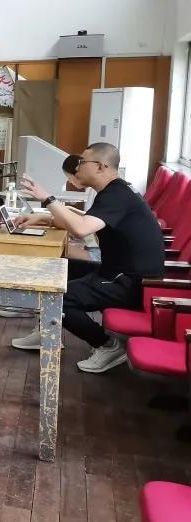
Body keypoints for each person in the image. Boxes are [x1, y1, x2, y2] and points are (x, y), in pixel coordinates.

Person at [11, 143, 165, 374]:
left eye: (82, 162)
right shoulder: (116, 190)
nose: (77, 167)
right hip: (115, 273)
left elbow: (81, 229)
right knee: (54, 268)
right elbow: (87, 222)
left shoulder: (116, 195)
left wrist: (47, 199)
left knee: (57, 298)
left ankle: (107, 345)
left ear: (100, 166)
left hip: (130, 283)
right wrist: (45, 219)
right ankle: (46, 331)